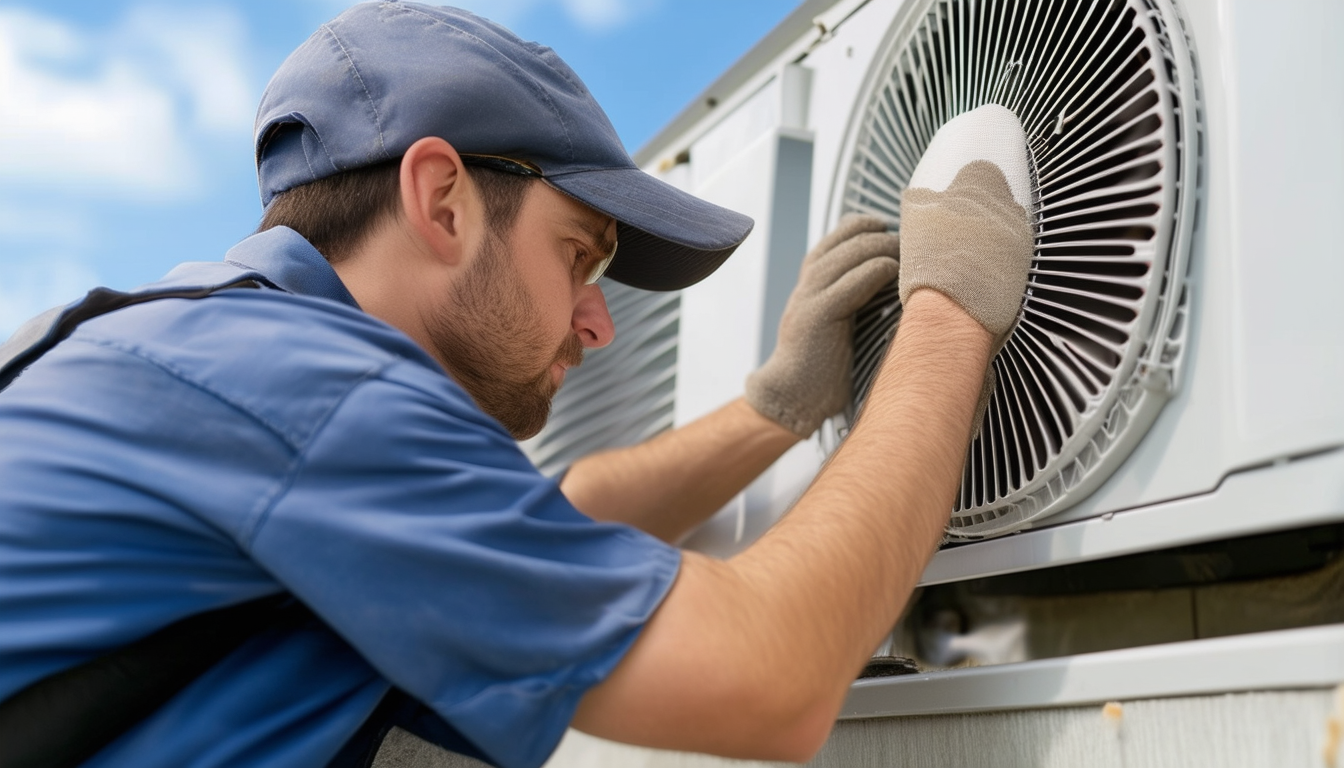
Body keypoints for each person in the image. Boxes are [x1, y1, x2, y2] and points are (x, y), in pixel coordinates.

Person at [0, 3, 1034, 768]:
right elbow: (770, 674)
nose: (597, 320)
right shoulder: (306, 394)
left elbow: (546, 523)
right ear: (442, 200)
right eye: (579, 257)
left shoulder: (201, 348)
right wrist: (950, 308)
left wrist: (774, 410)